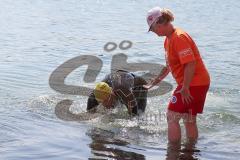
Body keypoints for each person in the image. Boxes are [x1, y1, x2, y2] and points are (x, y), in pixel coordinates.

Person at [144, 7, 210, 143]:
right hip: (198, 82)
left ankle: (173, 151)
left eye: (153, 28)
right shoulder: (168, 40)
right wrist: (154, 82)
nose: (153, 32)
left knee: (171, 116)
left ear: (160, 23)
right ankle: (190, 150)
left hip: (193, 83)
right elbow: (169, 66)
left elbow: (190, 64)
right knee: (189, 118)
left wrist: (185, 87)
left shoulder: (179, 37)